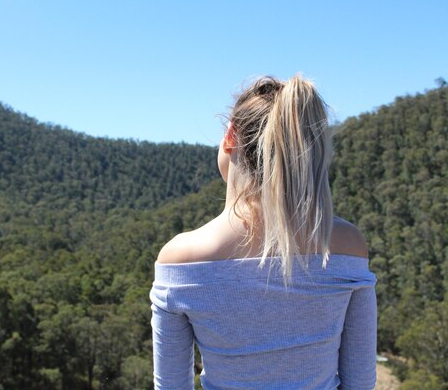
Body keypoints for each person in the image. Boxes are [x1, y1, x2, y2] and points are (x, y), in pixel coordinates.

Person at [150, 75, 377, 390]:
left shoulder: (181, 259)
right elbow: (360, 382)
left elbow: (172, 386)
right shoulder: (345, 244)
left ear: (231, 137)